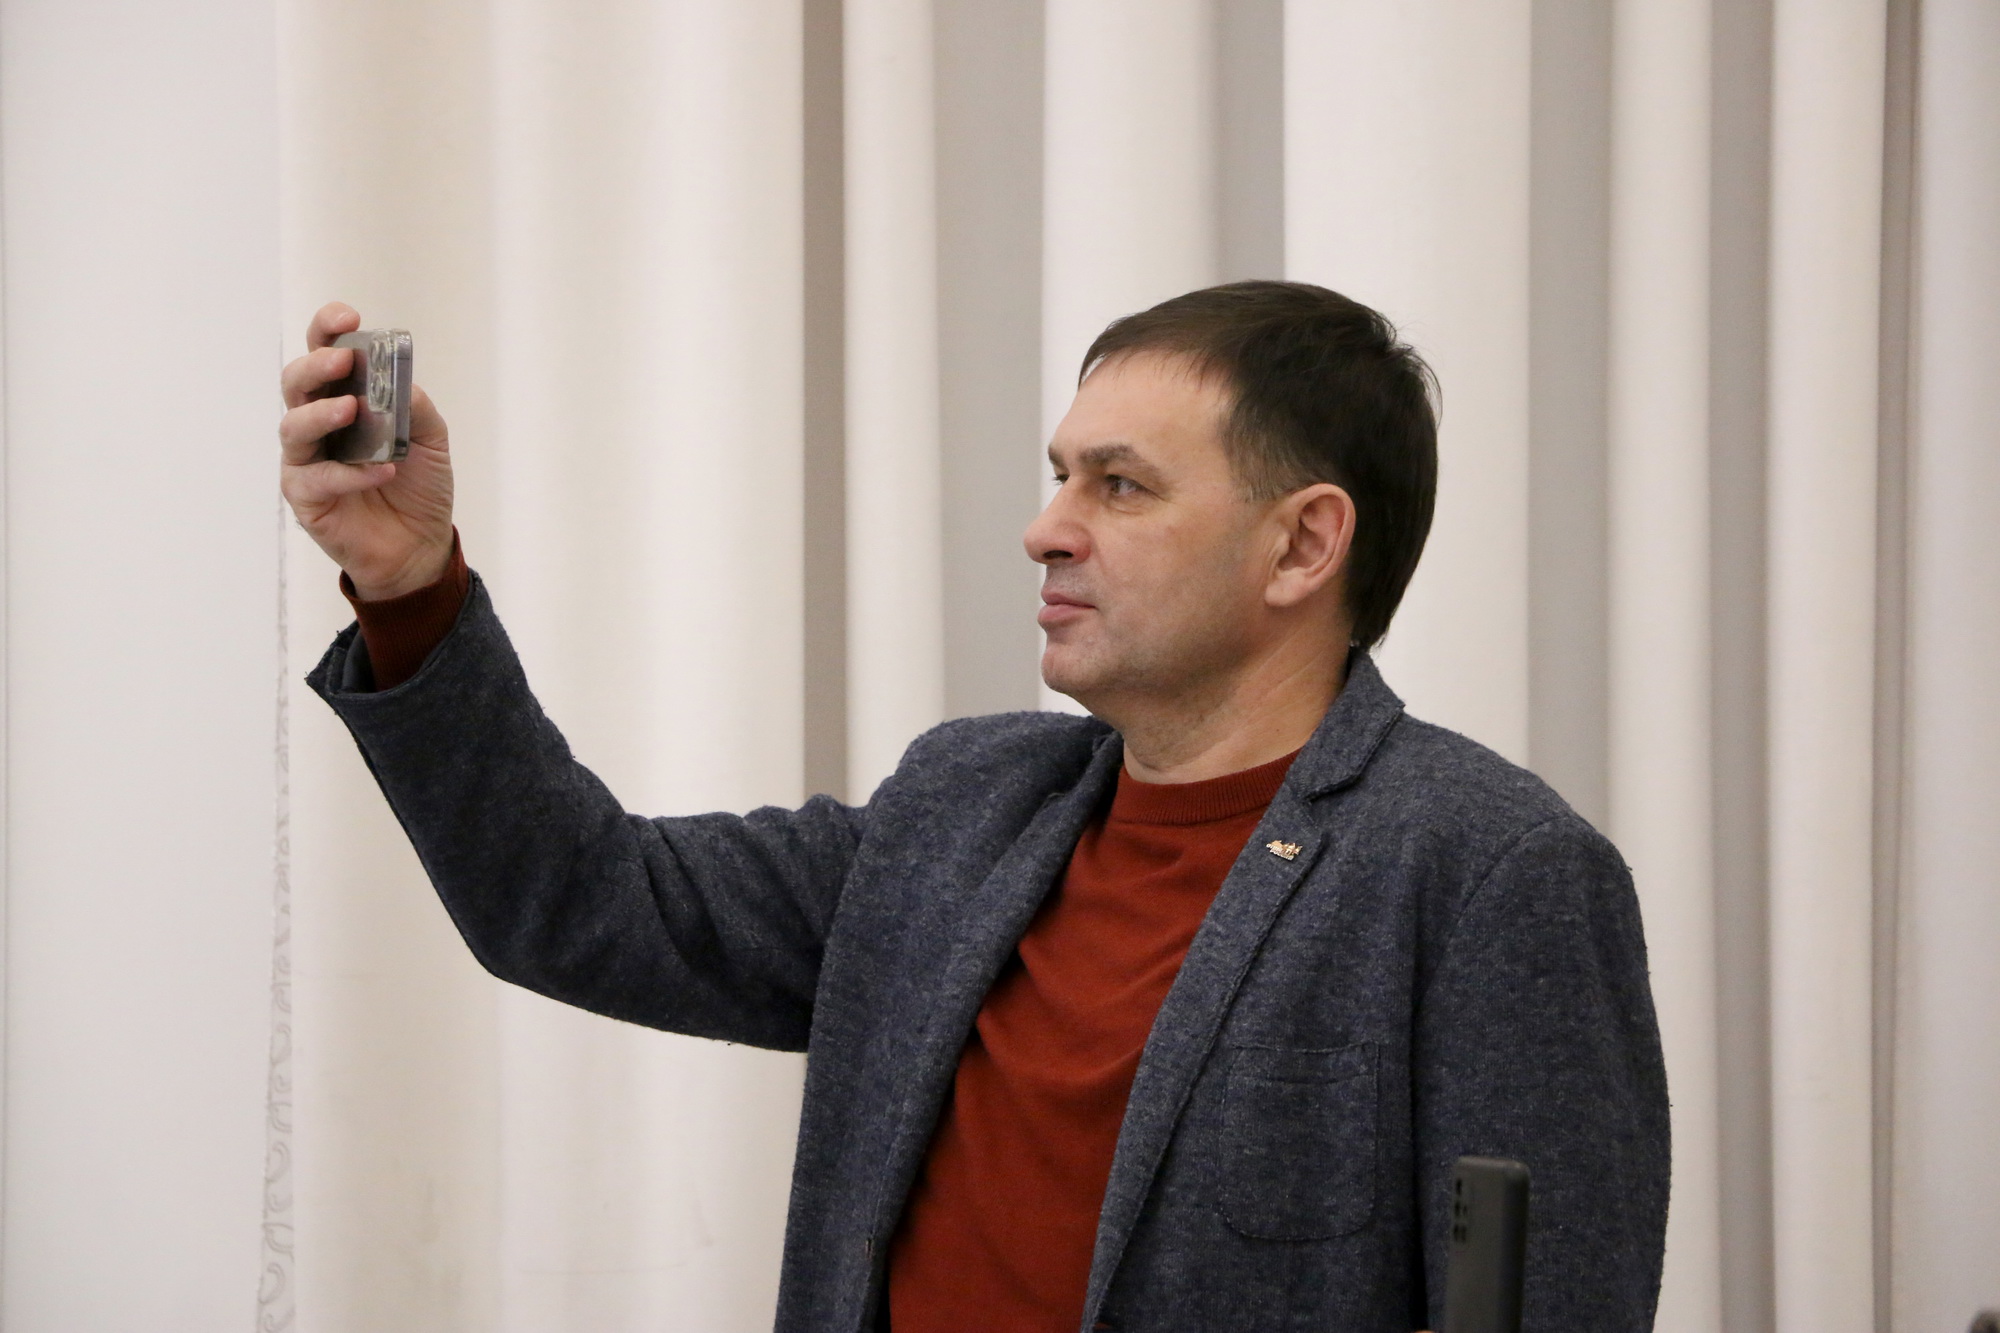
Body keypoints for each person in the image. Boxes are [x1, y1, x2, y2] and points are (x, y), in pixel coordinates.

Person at [278, 280, 1669, 1332]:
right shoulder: (961, 805)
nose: (1047, 527)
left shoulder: (1490, 872)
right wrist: (410, 585)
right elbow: (577, 900)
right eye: (1063, 475)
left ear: (1303, 543)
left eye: (1120, 485)